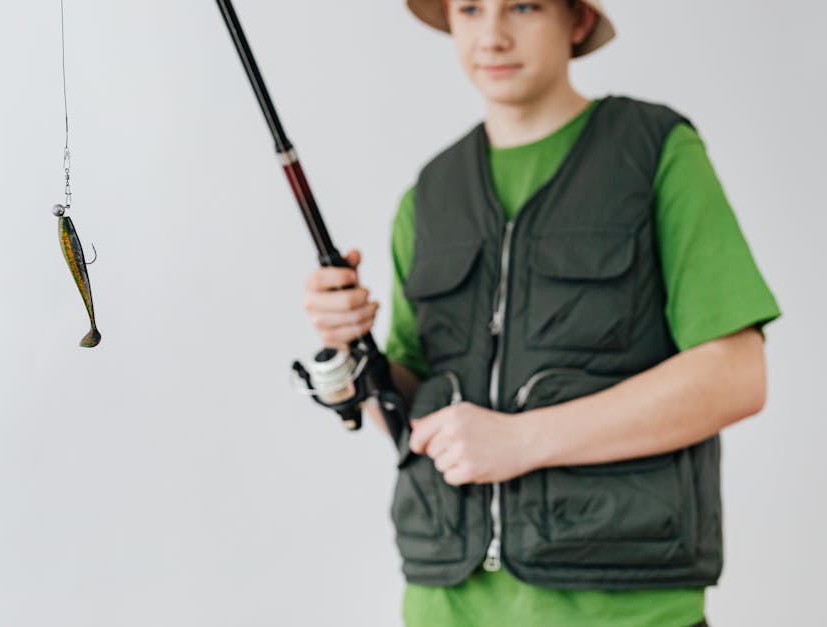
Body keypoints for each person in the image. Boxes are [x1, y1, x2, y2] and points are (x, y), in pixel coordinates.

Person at [301, 1, 781, 625]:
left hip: (627, 610)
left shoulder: (656, 151)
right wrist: (349, 348)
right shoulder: (427, 198)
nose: (492, 36)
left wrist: (521, 440)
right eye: (470, 9)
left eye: (523, 6)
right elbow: (412, 415)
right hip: (444, 608)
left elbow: (735, 376)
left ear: (576, 20)